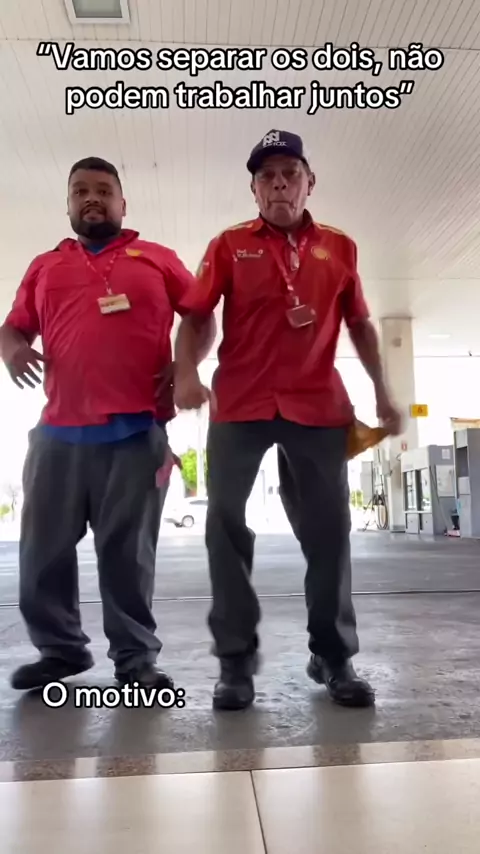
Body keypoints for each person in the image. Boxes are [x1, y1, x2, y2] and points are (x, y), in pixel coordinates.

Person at [173, 130, 402, 711]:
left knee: (329, 531)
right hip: (240, 404)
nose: (279, 184)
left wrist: (383, 391)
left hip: (317, 406)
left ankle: (333, 655)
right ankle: (235, 663)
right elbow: (196, 316)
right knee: (224, 523)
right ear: (254, 189)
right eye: (267, 176)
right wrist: (186, 373)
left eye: (290, 174)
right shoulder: (229, 245)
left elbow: (360, 324)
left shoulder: (340, 248)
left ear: (309, 183)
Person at [0, 157, 214, 692]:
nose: (91, 198)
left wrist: (186, 366)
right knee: (41, 555)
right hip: (57, 436)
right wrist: (12, 351)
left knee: (127, 558)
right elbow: (13, 328)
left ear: (123, 203)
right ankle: (60, 652)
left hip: (135, 434)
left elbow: (200, 314)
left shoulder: (157, 259)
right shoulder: (45, 266)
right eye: (80, 191)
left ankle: (136, 661)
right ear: (69, 204)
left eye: (103, 190)